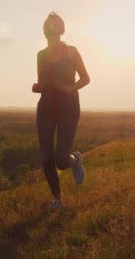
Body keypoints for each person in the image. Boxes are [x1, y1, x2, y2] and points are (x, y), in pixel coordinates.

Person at [32, 12, 90, 209]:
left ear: (61, 29)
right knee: (46, 156)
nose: (49, 29)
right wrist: (37, 87)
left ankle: (75, 159)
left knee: (60, 160)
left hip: (68, 108)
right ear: (44, 30)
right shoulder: (40, 55)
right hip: (45, 108)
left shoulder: (71, 51)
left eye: (53, 26)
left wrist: (69, 88)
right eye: (47, 25)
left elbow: (85, 78)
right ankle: (57, 199)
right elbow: (42, 82)